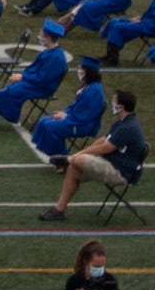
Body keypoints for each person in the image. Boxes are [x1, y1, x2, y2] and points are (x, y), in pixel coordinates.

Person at [37, 87, 148, 221]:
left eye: (114, 101)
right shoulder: (122, 123)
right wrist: (78, 154)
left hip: (122, 171)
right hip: (113, 163)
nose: (112, 104)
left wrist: (77, 156)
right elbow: (103, 140)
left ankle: (67, 160)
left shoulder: (128, 127)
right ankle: (59, 210)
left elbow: (105, 148)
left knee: (79, 161)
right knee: (74, 167)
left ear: (121, 106)